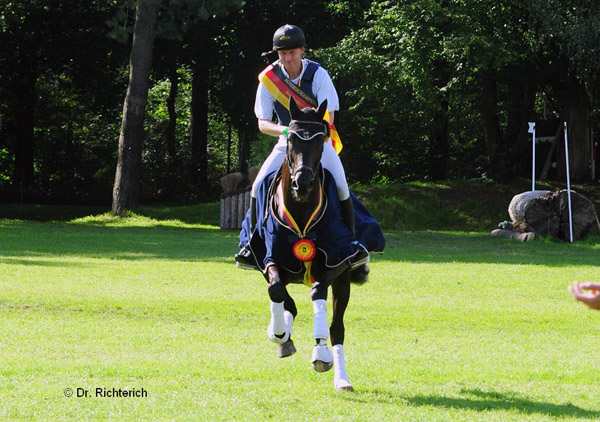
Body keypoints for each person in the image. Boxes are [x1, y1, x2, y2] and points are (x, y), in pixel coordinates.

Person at [236, 24, 368, 271]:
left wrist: (313, 135)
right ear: (277, 54)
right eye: (282, 53)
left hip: (319, 142)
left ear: (302, 50)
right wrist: (286, 132)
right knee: (257, 186)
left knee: (340, 185)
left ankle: (353, 245)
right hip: (287, 142)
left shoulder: (318, 75)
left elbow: (329, 116)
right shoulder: (268, 79)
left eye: (292, 52)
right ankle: (251, 246)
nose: (288, 58)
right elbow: (263, 123)